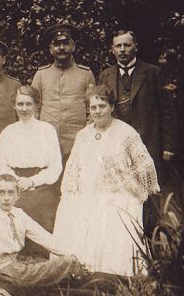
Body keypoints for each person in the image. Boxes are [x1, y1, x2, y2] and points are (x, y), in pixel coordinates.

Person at [53, 85, 159, 276]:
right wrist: (71, 192)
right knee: (70, 207)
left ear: (111, 107)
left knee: (110, 212)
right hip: (87, 191)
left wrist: (137, 189)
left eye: (102, 106)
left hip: (118, 193)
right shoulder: (83, 135)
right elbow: (73, 167)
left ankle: (110, 271)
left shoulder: (126, 133)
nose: (97, 111)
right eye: (93, 107)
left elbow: (145, 165)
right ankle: (76, 271)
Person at [0, 174, 85, 296]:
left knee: (51, 265)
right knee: (53, 267)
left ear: (18, 195)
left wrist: (72, 254)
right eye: (1, 193)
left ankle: (79, 274)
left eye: (10, 193)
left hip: (17, 263)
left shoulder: (19, 214)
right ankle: (71, 272)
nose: (6, 198)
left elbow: (43, 237)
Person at [0, 85, 62, 258]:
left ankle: (43, 265)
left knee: (44, 214)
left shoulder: (47, 130)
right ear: (14, 106)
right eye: (20, 104)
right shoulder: (8, 132)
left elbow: (55, 167)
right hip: (14, 188)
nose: (24, 109)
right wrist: (15, 182)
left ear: (36, 105)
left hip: (42, 186)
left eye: (28, 104)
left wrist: (32, 181)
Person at [99, 30, 177, 173]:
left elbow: (167, 112)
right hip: (116, 145)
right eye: (118, 46)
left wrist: (168, 146)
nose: (122, 50)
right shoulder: (105, 75)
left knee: (149, 191)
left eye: (127, 45)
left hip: (148, 144)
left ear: (136, 47)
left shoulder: (154, 73)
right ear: (112, 50)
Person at [31, 23, 95, 160]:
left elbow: (93, 109)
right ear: (50, 49)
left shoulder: (86, 74)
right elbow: (33, 108)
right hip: (47, 142)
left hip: (77, 143)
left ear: (73, 47)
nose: (61, 48)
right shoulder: (41, 75)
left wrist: (87, 136)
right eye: (57, 44)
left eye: (66, 43)